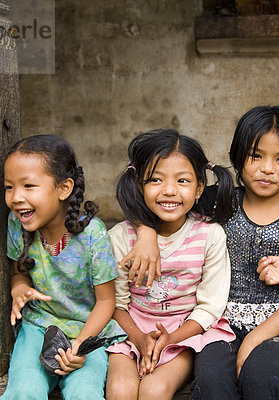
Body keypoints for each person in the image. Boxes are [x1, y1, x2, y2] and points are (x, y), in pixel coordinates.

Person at [126, 106, 279, 400]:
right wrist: (146, 231)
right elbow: (165, 206)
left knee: (262, 378)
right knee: (211, 381)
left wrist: (255, 339)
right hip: (219, 325)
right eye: (256, 156)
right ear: (238, 156)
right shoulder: (218, 200)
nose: (267, 168)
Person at [105, 129, 236, 400]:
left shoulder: (209, 235)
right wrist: (140, 338)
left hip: (184, 331)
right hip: (130, 329)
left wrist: (172, 337)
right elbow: (115, 303)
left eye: (183, 180)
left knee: (155, 389)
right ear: (139, 185)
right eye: (155, 179)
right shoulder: (120, 237)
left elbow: (209, 306)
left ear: (200, 187)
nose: (169, 191)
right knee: (120, 390)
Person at [0, 134, 126, 400]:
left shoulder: (93, 234)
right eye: (9, 187)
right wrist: (19, 289)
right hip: (38, 326)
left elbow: (106, 302)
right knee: (24, 391)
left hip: (86, 330)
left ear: (64, 188)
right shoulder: (16, 223)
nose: (16, 197)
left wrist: (79, 345)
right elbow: (19, 272)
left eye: (28, 185)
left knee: (85, 393)